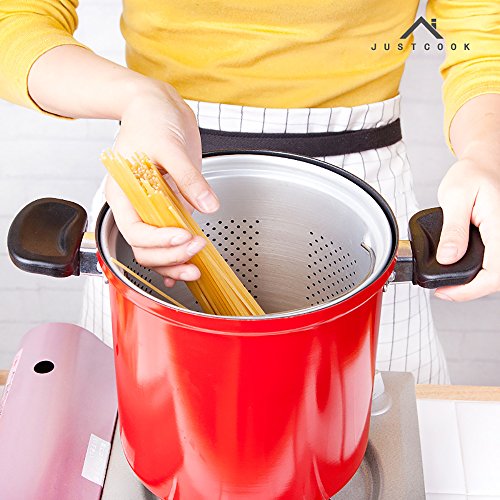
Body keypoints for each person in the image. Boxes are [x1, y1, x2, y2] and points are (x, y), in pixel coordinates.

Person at [0, 1, 498, 384]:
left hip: (363, 176)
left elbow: (480, 30)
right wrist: (137, 97)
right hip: (158, 165)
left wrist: (486, 153)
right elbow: (15, 17)